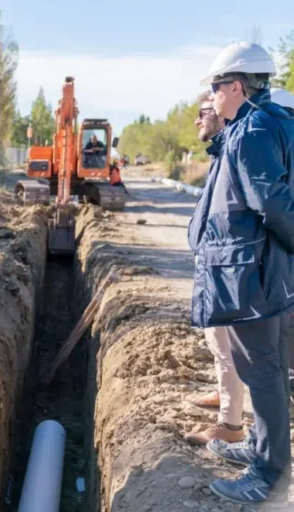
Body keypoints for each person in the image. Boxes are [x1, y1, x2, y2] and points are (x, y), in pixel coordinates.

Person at [191, 41, 294, 506]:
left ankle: (268, 471)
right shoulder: (254, 126)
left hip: (253, 275)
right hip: (252, 270)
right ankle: (259, 444)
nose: (211, 96)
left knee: (263, 369)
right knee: (261, 367)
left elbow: (273, 204)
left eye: (216, 87)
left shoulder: (254, 131)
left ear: (236, 85)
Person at [185, 92, 246, 446]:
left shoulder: (238, 152)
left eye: (202, 112)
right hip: (215, 262)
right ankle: (226, 397)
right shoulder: (222, 152)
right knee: (217, 339)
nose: (197, 120)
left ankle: (230, 425)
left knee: (228, 342)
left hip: (228, 266)